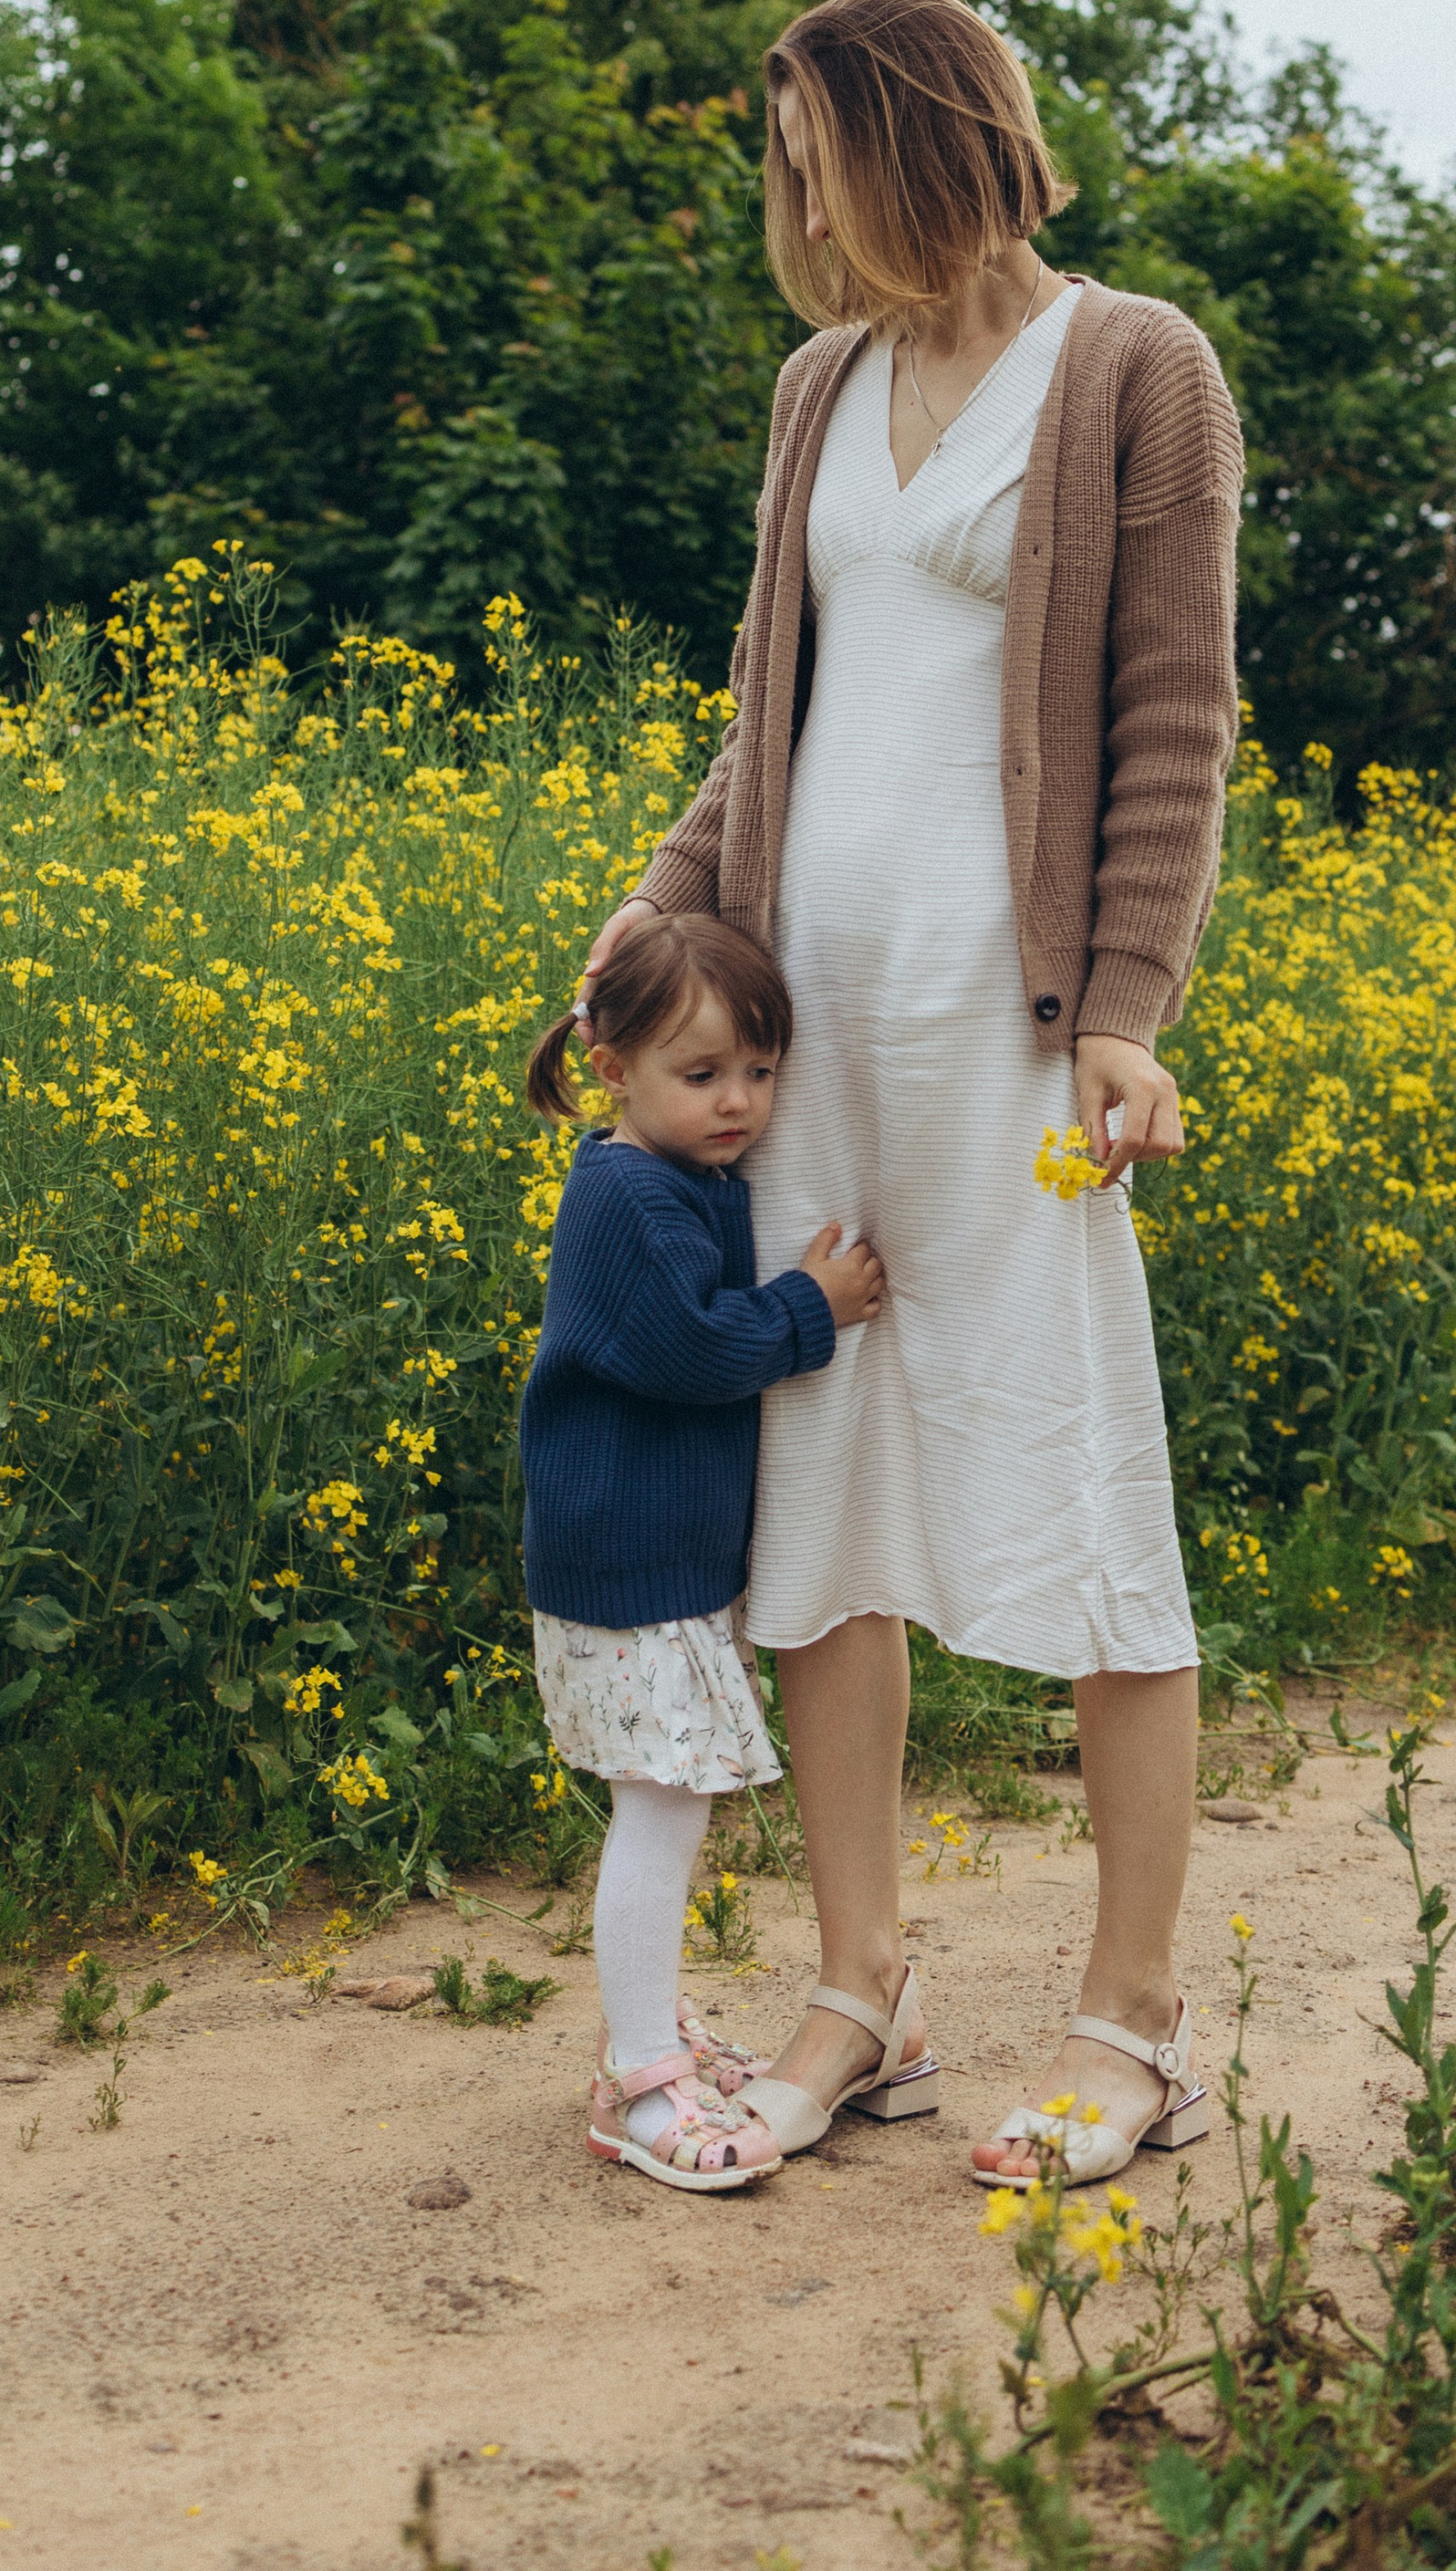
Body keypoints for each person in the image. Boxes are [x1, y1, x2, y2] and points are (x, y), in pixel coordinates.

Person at [581, 0, 1243, 2190]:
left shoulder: (1132, 364)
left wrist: (1130, 1005)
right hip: (805, 1032)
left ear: (918, 132)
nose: (793, 202)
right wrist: (657, 906)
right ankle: (862, 1988)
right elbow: (773, 712)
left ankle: (1130, 2018)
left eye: (809, 152)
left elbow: (1172, 717)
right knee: (821, 1495)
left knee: (1073, 1481)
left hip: (1015, 1029)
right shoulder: (814, 389)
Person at [519, 906, 890, 2193]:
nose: (738, 1102)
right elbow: (685, 1352)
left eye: (759, 1071)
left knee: (668, 1803)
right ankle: (637, 2082)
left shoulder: (682, 1178)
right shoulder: (626, 1194)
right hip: (625, 1576)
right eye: (701, 1074)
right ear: (611, 1069)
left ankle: (654, 2030)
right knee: (661, 1810)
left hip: (652, 1567)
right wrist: (810, 1308)